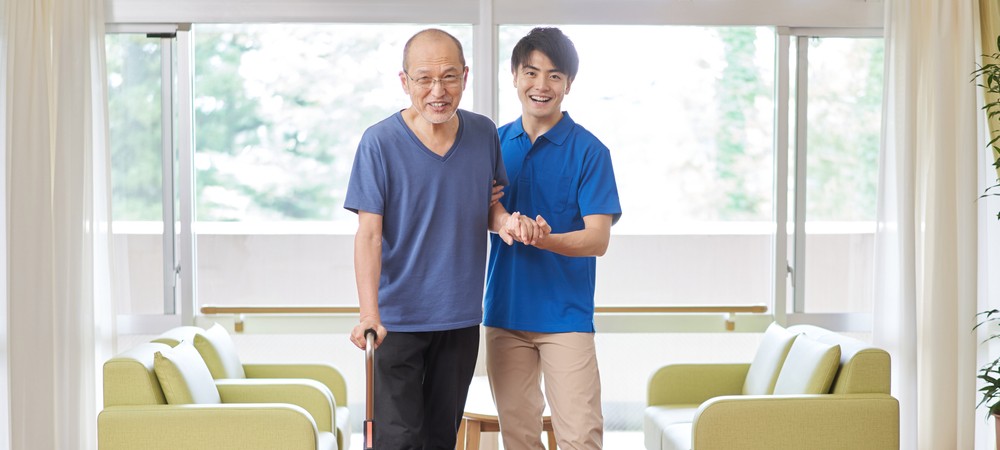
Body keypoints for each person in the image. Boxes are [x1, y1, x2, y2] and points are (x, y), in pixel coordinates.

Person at [343, 28, 523, 449]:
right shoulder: (380, 143)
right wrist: (369, 313)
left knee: (440, 439)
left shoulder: (484, 134)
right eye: (424, 78)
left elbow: (486, 205)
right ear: (405, 82)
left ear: (465, 75)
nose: (437, 91)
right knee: (398, 440)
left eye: (449, 77)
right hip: (396, 322)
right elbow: (368, 235)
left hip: (459, 319)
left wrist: (506, 223)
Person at [484, 27, 622, 450]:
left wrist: (545, 240)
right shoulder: (491, 144)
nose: (541, 86)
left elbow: (597, 239)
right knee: (519, 438)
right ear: (514, 76)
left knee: (580, 437)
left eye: (554, 76)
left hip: (566, 318)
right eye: (531, 72)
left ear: (568, 85)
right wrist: (504, 221)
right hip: (505, 313)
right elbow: (481, 209)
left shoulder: (590, 152)